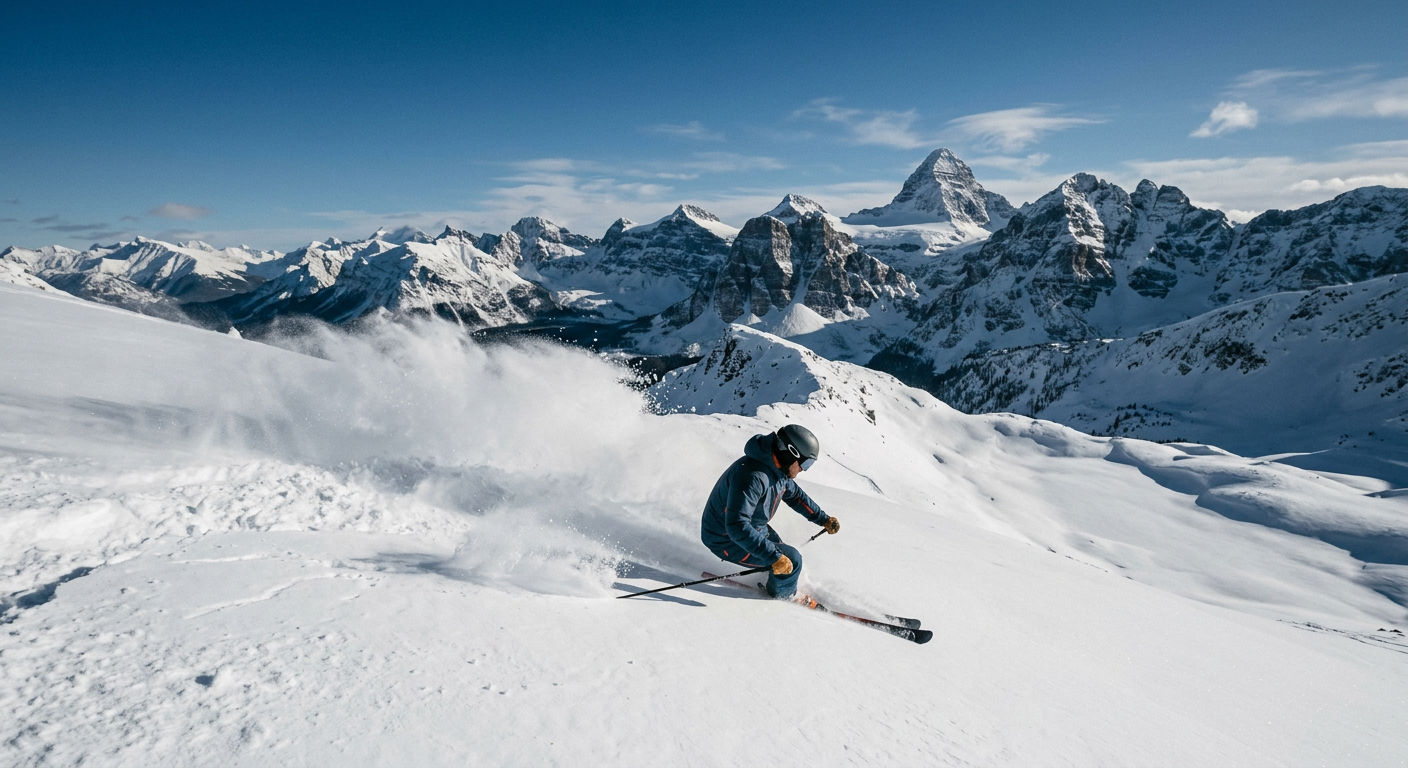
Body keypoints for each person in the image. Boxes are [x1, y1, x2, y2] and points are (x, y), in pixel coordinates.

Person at [700, 424, 840, 599]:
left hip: (753, 528)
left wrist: (823, 519)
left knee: (784, 556)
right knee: (792, 561)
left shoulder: (777, 469)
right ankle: (783, 597)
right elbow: (736, 526)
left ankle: (774, 579)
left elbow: (795, 496)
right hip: (724, 539)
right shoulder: (754, 476)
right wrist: (773, 557)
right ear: (791, 453)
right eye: (806, 463)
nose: (804, 469)